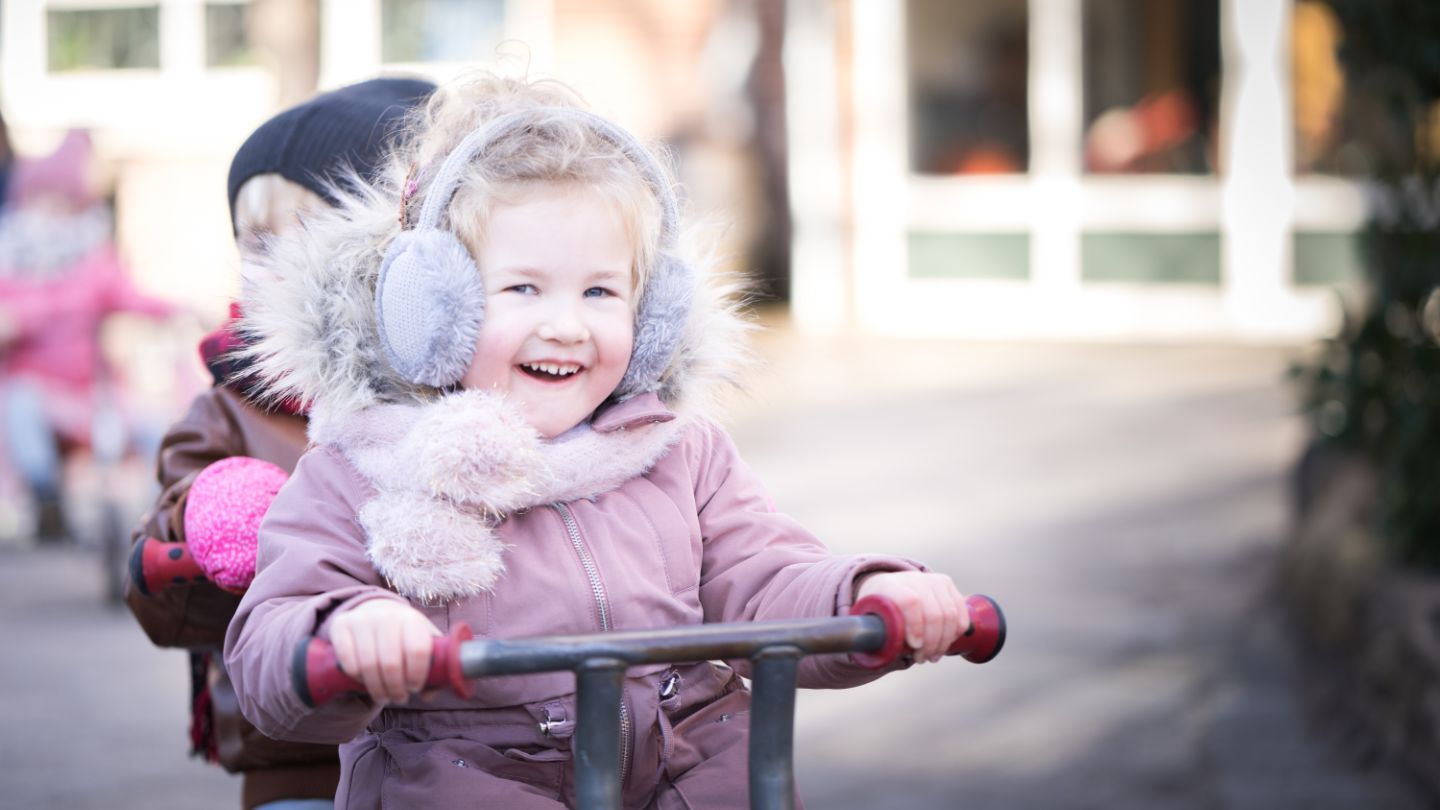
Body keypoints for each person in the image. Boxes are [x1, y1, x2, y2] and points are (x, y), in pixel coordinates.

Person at [223, 72, 973, 809]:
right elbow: (270, 639)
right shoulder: (359, 471)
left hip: (691, 763)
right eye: (522, 288)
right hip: (468, 778)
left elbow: (768, 576)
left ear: (650, 319)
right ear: (432, 308)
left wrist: (871, 594)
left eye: (600, 291)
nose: (568, 325)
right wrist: (348, 632)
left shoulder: (678, 452)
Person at [124, 77, 436, 810]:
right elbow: (161, 597)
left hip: (469, 742)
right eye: (254, 246)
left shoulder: (464, 389)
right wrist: (203, 525)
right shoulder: (232, 405)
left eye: (310, 242)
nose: (273, 271)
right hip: (302, 755)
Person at [0, 128, 174, 542]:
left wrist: (180, 308)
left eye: (64, 201)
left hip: (90, 392)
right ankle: (45, 496)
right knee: (20, 407)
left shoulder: (94, 262)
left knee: (156, 428)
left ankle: (164, 511)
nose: (53, 211)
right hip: (34, 389)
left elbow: (133, 296)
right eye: (44, 198)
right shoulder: (11, 264)